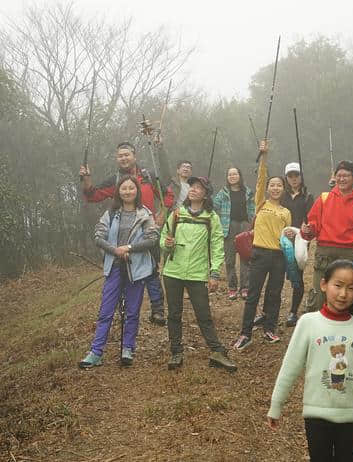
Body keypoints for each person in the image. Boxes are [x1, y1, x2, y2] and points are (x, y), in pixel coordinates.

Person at [267, 259, 353, 462]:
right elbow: (290, 367)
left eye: (351, 288)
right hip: (316, 416)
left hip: (350, 417)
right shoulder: (308, 323)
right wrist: (276, 405)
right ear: (324, 284)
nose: (343, 294)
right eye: (338, 285)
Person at [79, 141, 172, 326]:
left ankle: (158, 310)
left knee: (152, 269)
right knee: (123, 270)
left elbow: (167, 195)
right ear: (117, 159)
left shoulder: (148, 176)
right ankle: (123, 306)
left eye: (126, 154)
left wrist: (162, 214)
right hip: (123, 234)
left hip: (147, 229)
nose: (123, 158)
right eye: (120, 156)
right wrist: (86, 179)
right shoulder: (115, 181)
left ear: (134, 156)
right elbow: (92, 196)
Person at [78, 175, 159, 368]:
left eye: (131, 188)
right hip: (114, 267)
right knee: (106, 310)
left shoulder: (145, 214)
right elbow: (98, 236)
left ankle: (128, 349)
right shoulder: (111, 214)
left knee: (132, 311)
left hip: (136, 268)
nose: (128, 191)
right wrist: (115, 250)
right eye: (124, 188)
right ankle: (96, 352)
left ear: (137, 191)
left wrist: (128, 248)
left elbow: (152, 238)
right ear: (118, 191)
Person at [160, 176, 237, 371]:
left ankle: (217, 352)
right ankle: (176, 352)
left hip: (197, 273)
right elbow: (163, 238)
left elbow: (217, 246)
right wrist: (166, 244)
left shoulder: (211, 218)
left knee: (203, 314)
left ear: (205, 194)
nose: (193, 190)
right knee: (174, 314)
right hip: (173, 272)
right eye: (192, 187)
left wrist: (214, 273)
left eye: (198, 188)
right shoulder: (177, 214)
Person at [232, 141, 292, 351]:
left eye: (279, 185)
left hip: (279, 257)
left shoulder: (286, 212)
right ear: (267, 189)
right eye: (272, 185)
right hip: (259, 254)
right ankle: (245, 333)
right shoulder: (261, 203)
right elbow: (260, 179)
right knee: (253, 294)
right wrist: (264, 156)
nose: (275, 188)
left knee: (274, 294)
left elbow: (287, 237)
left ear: (284, 189)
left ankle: (269, 328)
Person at [301, 160, 353, 314]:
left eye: (346, 176)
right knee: (320, 296)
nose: (342, 179)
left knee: (344, 299)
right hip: (324, 254)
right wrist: (307, 229)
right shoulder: (324, 199)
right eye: (339, 175)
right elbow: (311, 228)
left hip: (349, 255)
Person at [213, 167, 256, 300]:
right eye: (230, 174)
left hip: (245, 225)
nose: (232, 176)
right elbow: (214, 205)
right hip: (228, 226)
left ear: (239, 176)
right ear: (227, 177)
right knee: (230, 259)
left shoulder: (247, 192)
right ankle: (232, 287)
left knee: (245, 258)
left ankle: (245, 287)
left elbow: (254, 208)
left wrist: (252, 225)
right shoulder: (223, 192)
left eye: (235, 174)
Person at [280, 162, 314, 327]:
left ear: (301, 176)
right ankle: (269, 311)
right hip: (282, 237)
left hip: (300, 238)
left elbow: (312, 219)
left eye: (296, 175)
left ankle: (293, 311)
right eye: (290, 176)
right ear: (286, 178)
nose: (293, 179)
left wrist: (304, 228)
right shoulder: (281, 195)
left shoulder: (308, 196)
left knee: (298, 276)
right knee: (278, 273)